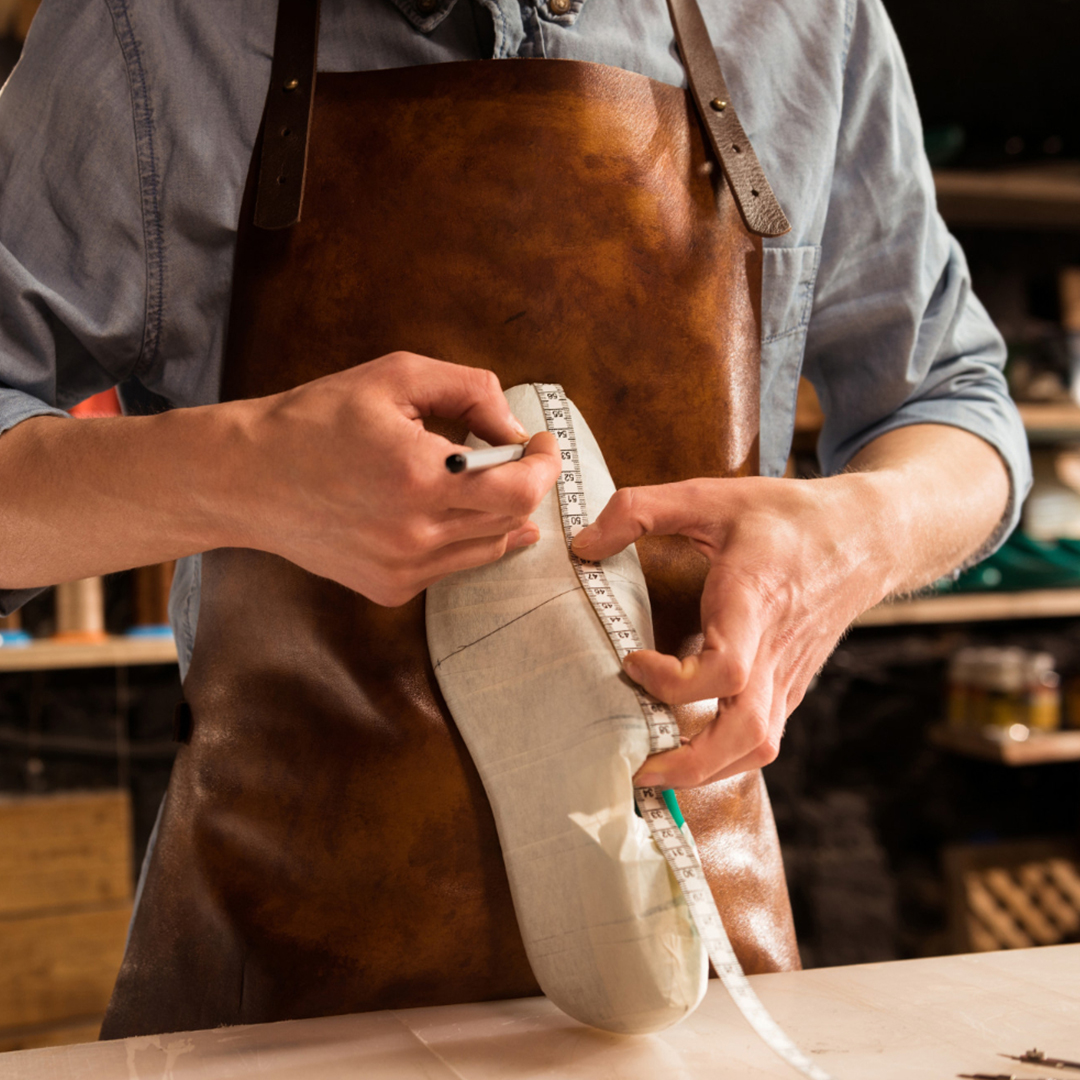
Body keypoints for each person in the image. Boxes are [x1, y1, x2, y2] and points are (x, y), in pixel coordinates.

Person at [0, 0, 1028, 1035]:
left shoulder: (815, 21)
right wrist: (243, 469)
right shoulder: (150, 26)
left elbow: (953, 407)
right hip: (278, 1004)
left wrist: (854, 533)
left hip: (689, 992)